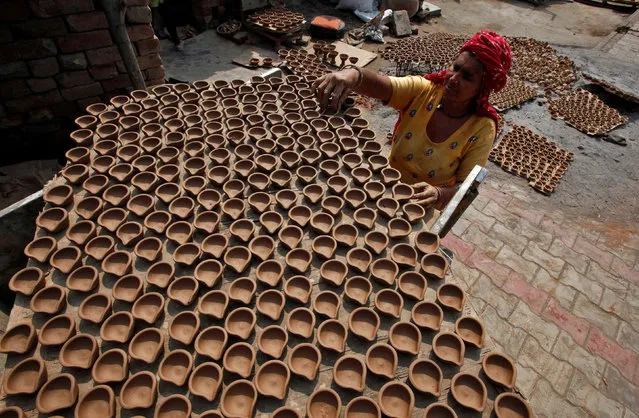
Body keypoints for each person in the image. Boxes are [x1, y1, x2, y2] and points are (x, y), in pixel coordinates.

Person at [312, 30, 512, 209]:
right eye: (456, 67)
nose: (453, 78)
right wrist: (353, 74)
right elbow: (385, 85)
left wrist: (440, 193)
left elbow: (466, 186)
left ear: (482, 87)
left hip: (421, 206)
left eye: (467, 77)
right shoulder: (425, 91)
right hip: (382, 183)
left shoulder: (482, 128)